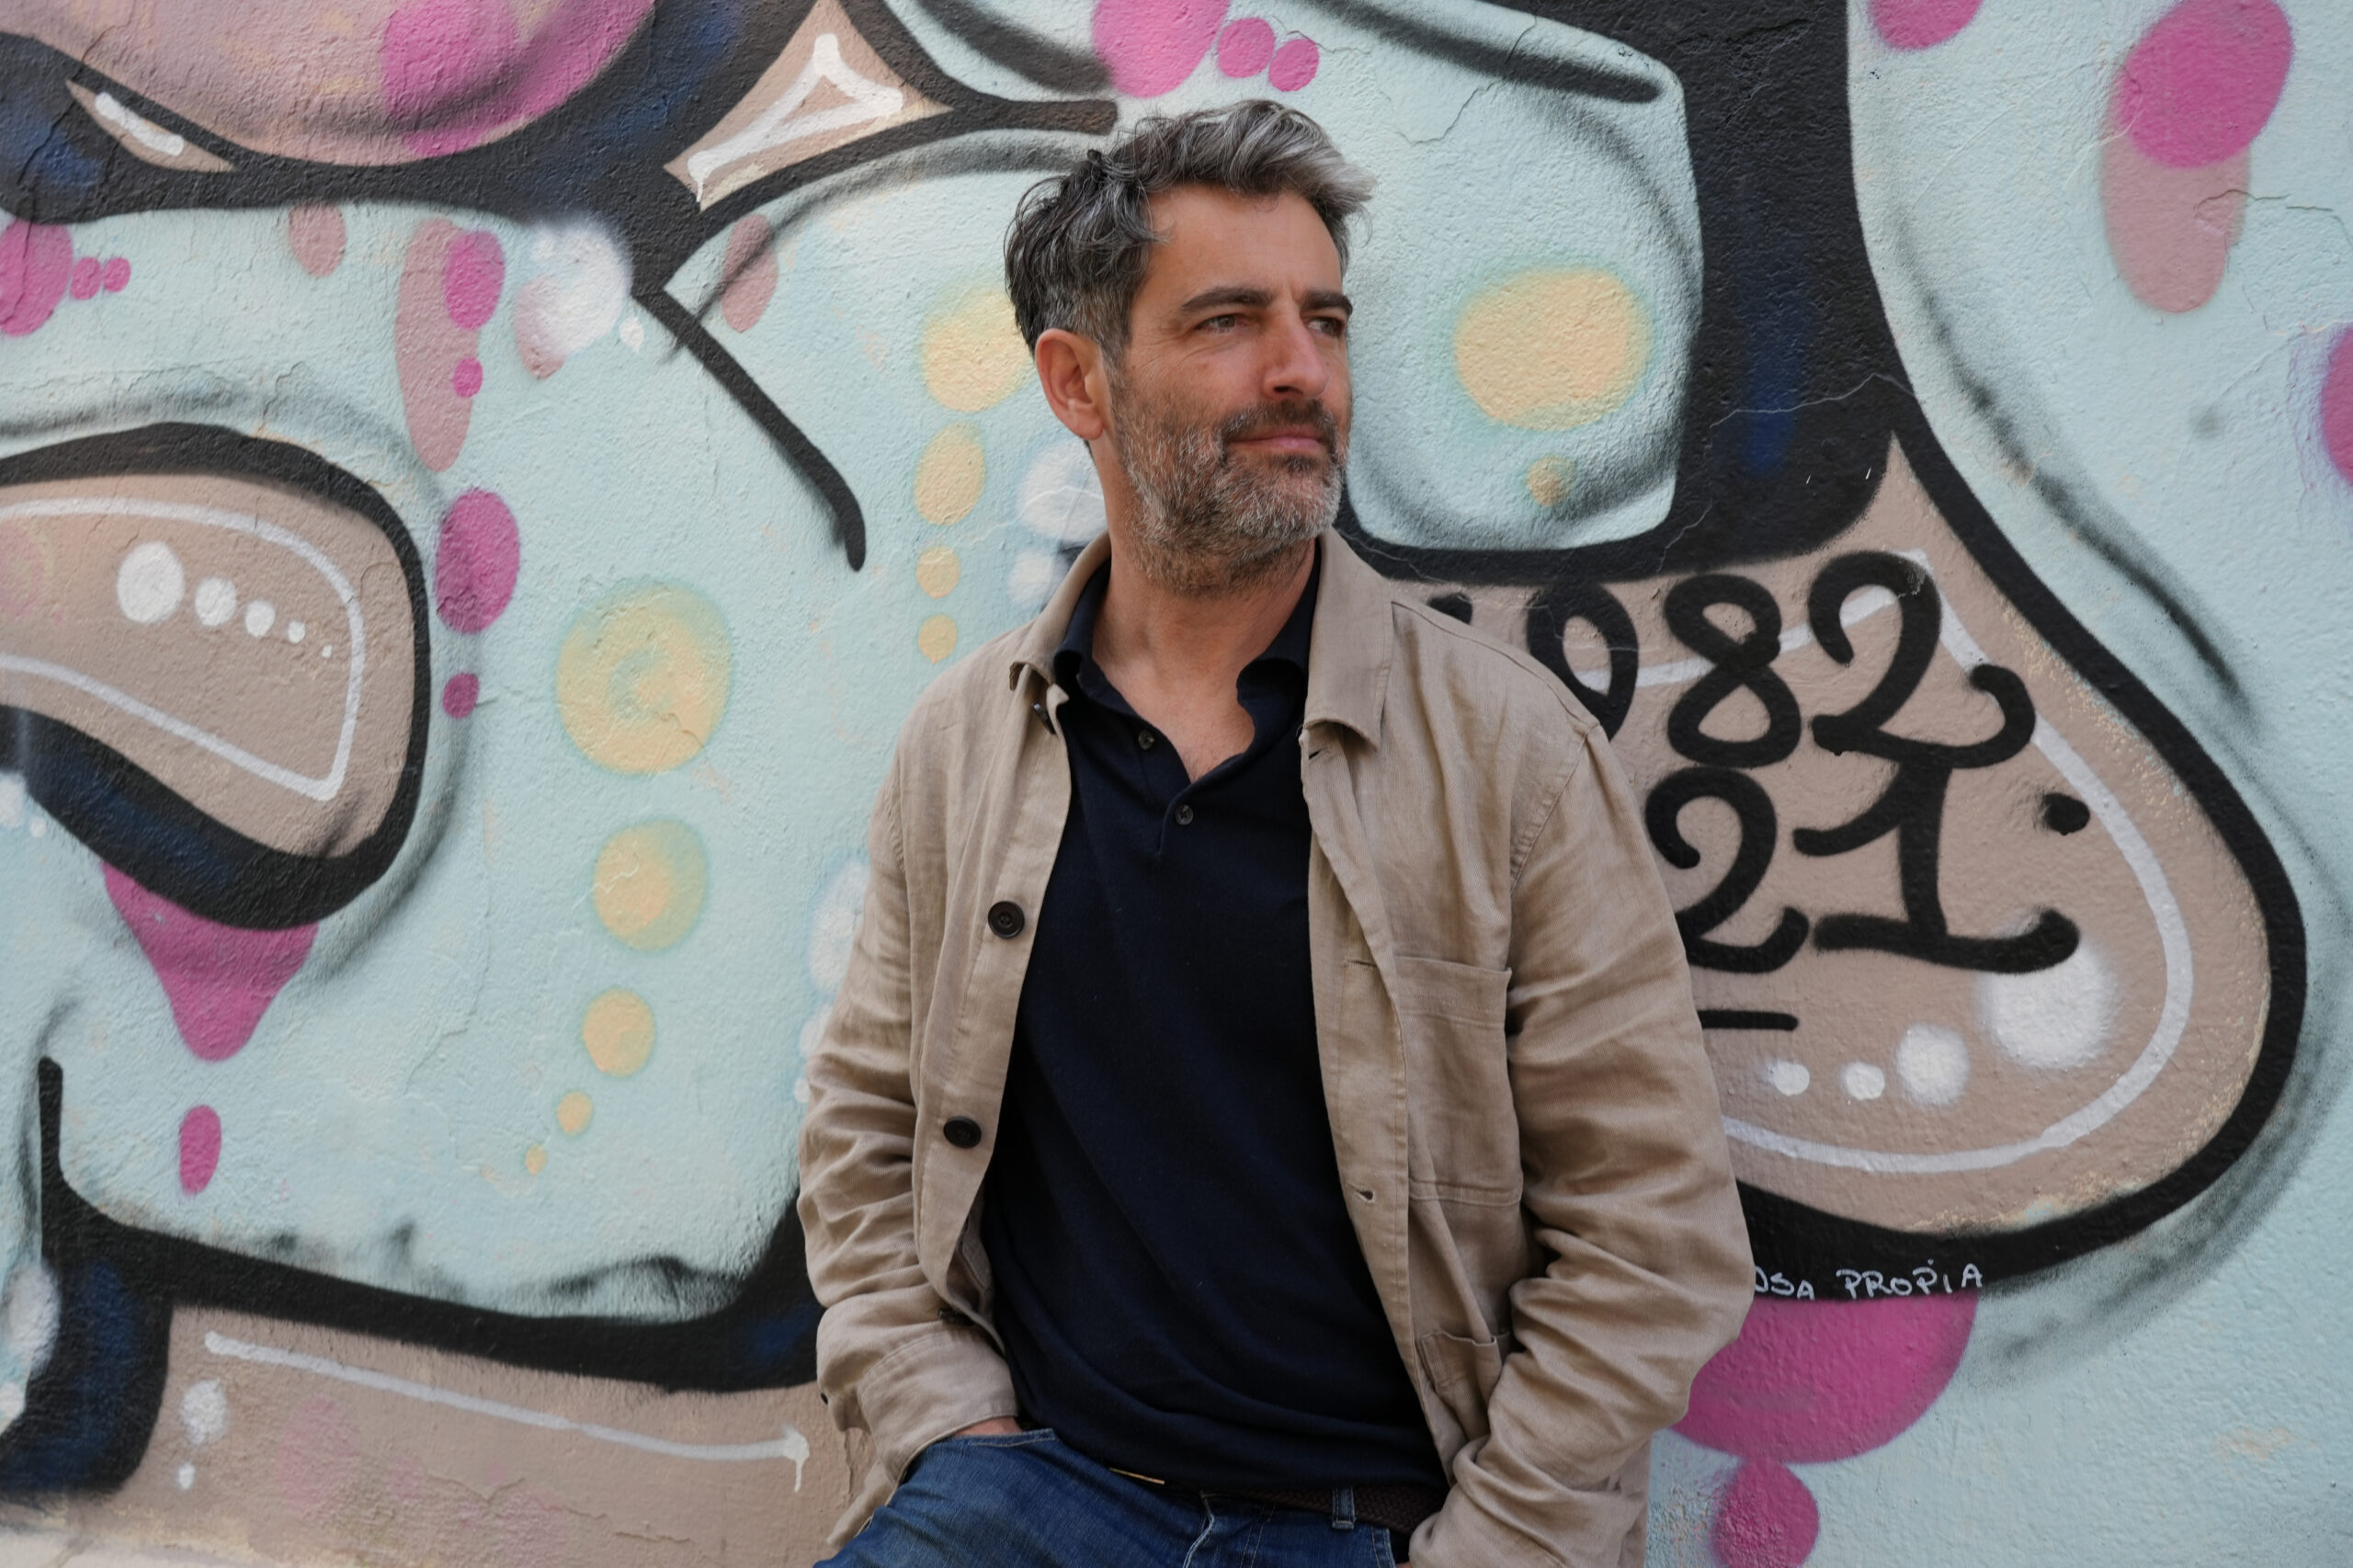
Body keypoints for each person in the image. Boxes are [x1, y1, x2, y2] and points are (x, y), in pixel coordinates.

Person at [797, 99, 1752, 1568]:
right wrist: (945, 1427)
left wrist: (1494, 1548)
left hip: (1370, 1534)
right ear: (1079, 380)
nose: (1301, 369)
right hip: (1026, 1497)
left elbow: (1653, 1231)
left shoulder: (1507, 755)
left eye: (1326, 319)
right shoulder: (966, 746)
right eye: (1229, 321)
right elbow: (864, 1123)